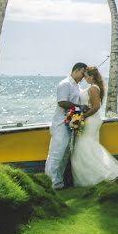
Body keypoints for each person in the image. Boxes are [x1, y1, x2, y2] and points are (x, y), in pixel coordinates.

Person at [70, 65, 118, 187]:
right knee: (86, 145)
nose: (84, 79)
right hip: (90, 119)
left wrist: (82, 117)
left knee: (85, 146)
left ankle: (101, 175)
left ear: (92, 76)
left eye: (86, 76)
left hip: (90, 120)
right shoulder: (92, 87)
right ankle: (92, 176)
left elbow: (96, 107)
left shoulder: (94, 89)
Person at [45, 62, 86, 190]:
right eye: (82, 73)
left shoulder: (77, 86)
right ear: (76, 70)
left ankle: (58, 183)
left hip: (70, 123)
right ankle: (49, 183)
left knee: (65, 154)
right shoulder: (65, 84)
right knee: (56, 153)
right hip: (60, 123)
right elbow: (62, 102)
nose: (83, 77)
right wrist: (79, 107)